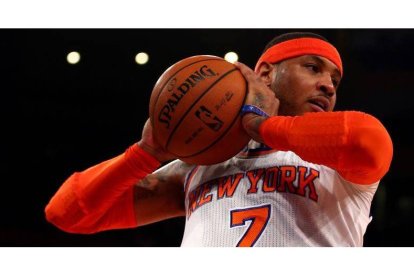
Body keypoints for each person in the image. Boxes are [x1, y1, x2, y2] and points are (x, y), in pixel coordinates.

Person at [45, 32, 393, 246]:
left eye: (335, 79)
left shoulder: (337, 160)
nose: (328, 85)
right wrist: (145, 154)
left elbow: (368, 140)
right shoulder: (199, 164)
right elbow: (66, 213)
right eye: (313, 68)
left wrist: (260, 125)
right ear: (266, 74)